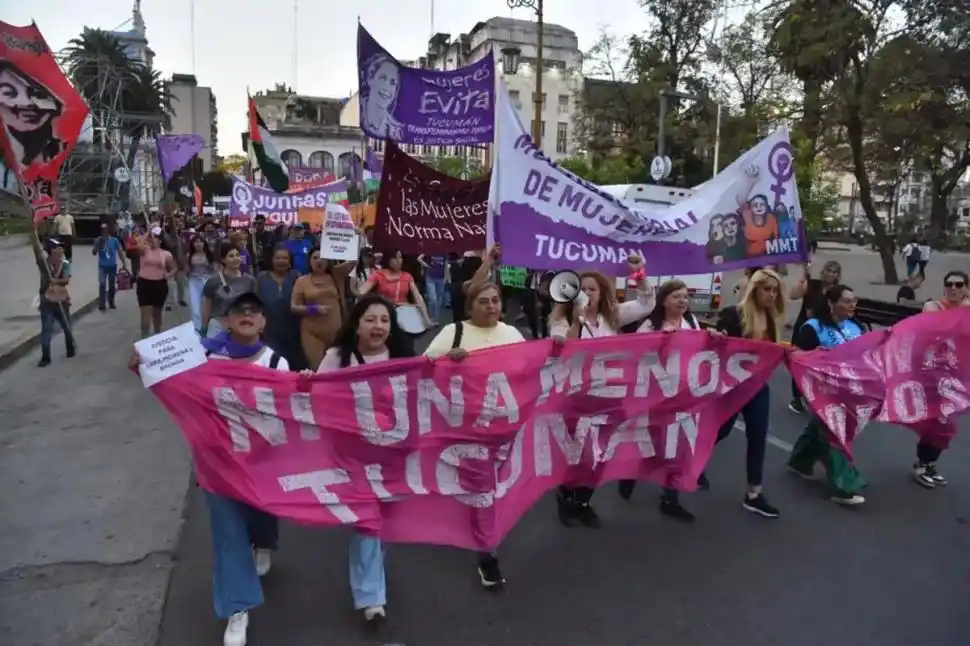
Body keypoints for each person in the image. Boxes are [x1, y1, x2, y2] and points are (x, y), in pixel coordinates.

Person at [130, 291, 287, 646]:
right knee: (230, 534)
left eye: (254, 311)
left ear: (263, 322)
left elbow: (293, 411)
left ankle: (265, 542)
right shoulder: (201, 356)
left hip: (263, 463)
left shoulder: (278, 363)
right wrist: (142, 361)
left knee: (261, 515)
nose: (246, 315)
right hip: (217, 463)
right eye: (239, 310)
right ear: (228, 320)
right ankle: (238, 608)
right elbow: (165, 376)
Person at [313, 293, 414, 623]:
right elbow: (317, 397)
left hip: (394, 456)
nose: (378, 326)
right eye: (370, 319)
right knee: (367, 522)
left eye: (385, 320)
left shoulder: (403, 357)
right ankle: (371, 599)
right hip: (352, 457)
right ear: (356, 325)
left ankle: (372, 569)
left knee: (387, 521)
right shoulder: (337, 357)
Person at [424, 279, 526, 589]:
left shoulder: (512, 334)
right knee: (483, 490)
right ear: (471, 306)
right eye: (484, 301)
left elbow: (528, 370)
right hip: (466, 427)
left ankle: (474, 530)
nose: (492, 306)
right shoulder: (453, 333)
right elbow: (423, 369)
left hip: (504, 425)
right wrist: (447, 361)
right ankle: (487, 556)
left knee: (490, 486)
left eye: (495, 300)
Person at [547, 266, 655, 527]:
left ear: (601, 292)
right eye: (581, 290)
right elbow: (563, 345)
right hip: (576, 397)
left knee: (601, 452)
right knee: (577, 453)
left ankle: (584, 501)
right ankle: (566, 494)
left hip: (608, 396)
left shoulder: (613, 316)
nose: (586, 293)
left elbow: (646, 303)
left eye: (591, 289)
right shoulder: (561, 320)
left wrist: (639, 275)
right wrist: (578, 319)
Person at [617, 279, 720, 521]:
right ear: (663, 300)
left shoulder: (692, 322)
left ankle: (670, 498)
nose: (683, 301)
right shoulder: (649, 325)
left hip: (682, 397)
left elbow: (701, 348)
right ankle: (630, 473)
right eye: (677, 297)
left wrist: (713, 337)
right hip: (653, 397)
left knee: (679, 447)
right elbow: (637, 357)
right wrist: (662, 341)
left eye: (685, 297)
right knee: (650, 443)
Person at [709, 268, 785, 518]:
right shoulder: (734, 314)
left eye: (774, 290)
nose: (771, 295)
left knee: (758, 436)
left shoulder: (772, 318)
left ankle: (754, 493)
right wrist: (717, 337)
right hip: (730, 387)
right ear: (754, 290)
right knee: (718, 432)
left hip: (757, 387)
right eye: (766, 289)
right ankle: (684, 465)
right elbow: (718, 345)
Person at [787, 284, 867, 505]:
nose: (853, 305)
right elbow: (797, 357)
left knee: (820, 428)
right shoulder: (812, 328)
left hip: (850, 391)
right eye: (848, 301)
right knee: (833, 434)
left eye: (854, 300)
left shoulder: (855, 326)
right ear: (832, 303)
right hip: (822, 392)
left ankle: (800, 460)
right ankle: (843, 486)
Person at [911, 270, 970, 488]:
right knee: (939, 421)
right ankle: (922, 463)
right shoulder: (933, 307)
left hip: (957, 376)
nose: (953, 288)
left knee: (946, 424)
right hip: (933, 374)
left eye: (959, 284)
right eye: (950, 284)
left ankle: (929, 463)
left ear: (966, 287)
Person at [788, 261, 841, 413]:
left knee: (819, 367)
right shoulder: (812, 284)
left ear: (838, 275)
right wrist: (803, 277)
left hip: (823, 333)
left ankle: (816, 398)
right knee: (800, 363)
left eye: (835, 272)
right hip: (805, 330)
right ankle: (797, 398)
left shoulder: (837, 291)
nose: (831, 274)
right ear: (823, 271)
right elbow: (793, 295)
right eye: (828, 270)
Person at [290, 249, 355, 370]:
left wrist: (356, 237)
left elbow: (353, 260)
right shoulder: (302, 281)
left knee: (337, 367)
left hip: (337, 333)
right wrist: (313, 309)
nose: (319, 261)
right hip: (312, 333)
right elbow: (293, 306)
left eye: (323, 258)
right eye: (315, 258)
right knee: (318, 368)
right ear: (309, 261)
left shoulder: (337, 275)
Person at [358, 248, 433, 333]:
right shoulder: (378, 274)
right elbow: (361, 292)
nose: (399, 260)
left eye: (400, 257)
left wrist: (426, 319)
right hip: (385, 315)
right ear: (388, 259)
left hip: (404, 315)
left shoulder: (407, 276)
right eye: (395, 258)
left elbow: (418, 297)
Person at [31, 234, 75, 367]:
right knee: (46, 329)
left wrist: (55, 281)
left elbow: (66, 280)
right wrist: (33, 236)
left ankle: (70, 348)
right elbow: (37, 253)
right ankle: (46, 357)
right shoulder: (44, 264)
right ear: (51, 251)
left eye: (61, 248)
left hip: (62, 299)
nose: (61, 250)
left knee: (67, 327)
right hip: (47, 301)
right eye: (57, 248)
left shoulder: (65, 263)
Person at [256, 245, 303, 370]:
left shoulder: (296, 276)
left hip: (294, 330)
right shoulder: (261, 278)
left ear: (289, 261)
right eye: (277, 258)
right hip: (269, 330)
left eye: (284, 258)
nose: (281, 261)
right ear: (271, 260)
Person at [201, 242, 258, 339]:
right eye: (231, 256)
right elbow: (206, 308)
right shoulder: (213, 282)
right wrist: (204, 328)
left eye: (237, 255)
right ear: (223, 259)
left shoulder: (250, 281)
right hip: (218, 327)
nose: (235, 259)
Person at [135, 227, 177, 338]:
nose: (152, 240)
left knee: (157, 315)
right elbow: (138, 246)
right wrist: (148, 232)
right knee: (145, 317)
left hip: (159, 285)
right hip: (144, 284)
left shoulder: (166, 254)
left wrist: (168, 275)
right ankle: (144, 339)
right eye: (151, 238)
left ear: (160, 240)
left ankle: (157, 337)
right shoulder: (145, 250)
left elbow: (174, 268)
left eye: (156, 238)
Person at [92, 222, 127, 311]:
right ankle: (102, 304)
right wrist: (97, 245)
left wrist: (124, 263)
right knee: (102, 284)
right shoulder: (98, 240)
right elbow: (94, 253)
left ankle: (111, 302)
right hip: (102, 266)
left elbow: (119, 251)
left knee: (111, 285)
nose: (104, 232)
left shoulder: (114, 240)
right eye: (102, 230)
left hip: (112, 266)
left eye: (105, 230)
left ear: (108, 231)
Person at [186, 235, 215, 334]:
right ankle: (198, 331)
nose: (198, 244)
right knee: (195, 308)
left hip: (207, 281)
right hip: (194, 282)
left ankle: (209, 329)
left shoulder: (209, 255)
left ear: (204, 243)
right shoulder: (189, 256)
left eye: (200, 241)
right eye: (196, 242)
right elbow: (187, 270)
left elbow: (215, 269)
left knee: (208, 307)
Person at [160, 216, 188, 311]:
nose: (177, 224)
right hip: (169, 263)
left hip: (180, 262)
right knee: (170, 284)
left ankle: (181, 299)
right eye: (174, 223)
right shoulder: (164, 234)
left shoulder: (183, 235)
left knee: (181, 283)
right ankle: (169, 303)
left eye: (177, 222)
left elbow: (185, 249)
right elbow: (170, 244)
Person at [418, 253, 447, 324]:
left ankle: (436, 319)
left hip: (441, 277)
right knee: (433, 299)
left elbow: (446, 265)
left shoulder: (444, 252)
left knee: (439, 299)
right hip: (430, 277)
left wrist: (446, 277)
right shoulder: (429, 250)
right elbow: (419, 258)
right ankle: (431, 317)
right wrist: (426, 266)